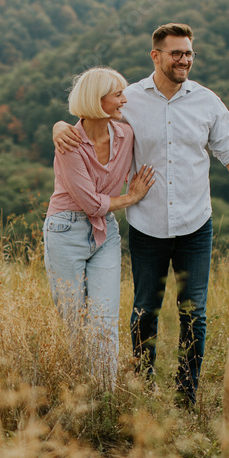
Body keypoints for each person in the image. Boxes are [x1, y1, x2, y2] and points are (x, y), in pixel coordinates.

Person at [54, 24, 229, 405]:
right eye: (176, 53)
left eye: (189, 53)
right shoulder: (129, 100)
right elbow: (89, 121)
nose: (184, 60)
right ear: (156, 56)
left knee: (194, 313)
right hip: (147, 225)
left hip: (195, 225)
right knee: (144, 311)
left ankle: (186, 396)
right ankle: (142, 389)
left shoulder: (207, 102)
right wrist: (58, 126)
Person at [44, 67, 156, 390]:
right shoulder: (69, 142)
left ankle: (104, 395)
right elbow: (91, 203)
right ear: (97, 99)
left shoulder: (126, 135)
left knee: (104, 317)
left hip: (105, 232)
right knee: (74, 319)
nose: (124, 100)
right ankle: (79, 391)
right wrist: (131, 197)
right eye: (118, 95)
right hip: (65, 230)